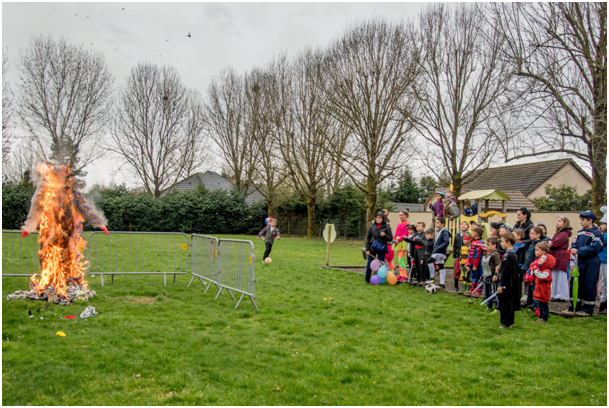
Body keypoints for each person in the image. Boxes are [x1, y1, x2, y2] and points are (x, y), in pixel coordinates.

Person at [565, 211, 604, 316]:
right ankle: (574, 306)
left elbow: (595, 247)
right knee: (576, 282)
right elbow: (574, 243)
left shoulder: (597, 234)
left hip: (591, 262)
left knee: (589, 284)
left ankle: (587, 309)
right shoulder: (580, 232)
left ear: (590, 221)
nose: (581, 222)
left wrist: (579, 251)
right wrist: (573, 248)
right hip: (579, 261)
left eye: (583, 220)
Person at [495, 232, 521, 328]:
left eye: (502, 241)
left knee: (504, 304)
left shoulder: (507, 256)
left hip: (506, 284)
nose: (501, 244)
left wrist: (500, 284)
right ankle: (510, 322)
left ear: (508, 242)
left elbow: (505, 272)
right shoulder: (514, 255)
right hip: (512, 284)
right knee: (510, 304)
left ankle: (505, 323)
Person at [527, 241, 555, 323]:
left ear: (544, 252)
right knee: (539, 303)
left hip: (544, 290)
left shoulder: (546, 270)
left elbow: (543, 277)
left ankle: (544, 318)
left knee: (544, 305)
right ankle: (540, 317)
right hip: (539, 289)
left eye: (537, 250)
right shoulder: (539, 266)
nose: (535, 252)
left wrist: (536, 271)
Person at [364, 212, 394, 284]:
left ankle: (379, 279)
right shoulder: (372, 227)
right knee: (369, 263)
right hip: (372, 248)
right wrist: (367, 249)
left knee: (381, 264)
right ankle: (367, 279)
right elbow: (368, 238)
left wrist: (385, 235)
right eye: (377, 218)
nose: (378, 219)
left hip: (382, 248)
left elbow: (390, 238)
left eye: (380, 218)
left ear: (383, 219)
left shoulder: (387, 227)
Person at [549, 215, 572, 302]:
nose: (557, 223)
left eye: (560, 221)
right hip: (556, 255)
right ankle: (555, 293)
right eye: (557, 221)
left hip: (560, 256)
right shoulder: (558, 233)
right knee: (555, 275)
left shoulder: (564, 234)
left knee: (560, 275)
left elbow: (555, 243)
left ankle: (561, 294)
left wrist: (551, 243)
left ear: (565, 223)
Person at [522, 226, 544, 308]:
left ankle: (534, 303)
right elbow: (529, 257)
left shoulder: (539, 244)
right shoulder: (532, 244)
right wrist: (525, 267)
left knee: (534, 286)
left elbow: (534, 257)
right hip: (529, 266)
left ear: (538, 234)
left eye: (533, 233)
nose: (530, 235)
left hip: (535, 267)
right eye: (530, 233)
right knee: (529, 284)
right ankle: (529, 301)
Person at [427, 217, 451, 287]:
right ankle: (442, 283)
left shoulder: (444, 232)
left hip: (439, 252)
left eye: (438, 223)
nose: (436, 224)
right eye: (436, 222)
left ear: (442, 224)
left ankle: (432, 278)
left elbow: (446, 242)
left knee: (429, 261)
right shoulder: (439, 231)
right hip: (438, 251)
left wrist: (438, 248)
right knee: (441, 266)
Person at [482, 237, 501, 312]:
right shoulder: (488, 253)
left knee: (493, 291)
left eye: (488, 245)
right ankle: (489, 305)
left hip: (492, 275)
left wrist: (495, 275)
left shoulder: (495, 254)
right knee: (488, 292)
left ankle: (497, 307)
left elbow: (497, 265)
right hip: (486, 275)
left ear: (494, 245)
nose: (487, 246)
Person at [392, 209, 411, 282]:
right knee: (399, 260)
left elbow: (405, 234)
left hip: (402, 242)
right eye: (399, 215)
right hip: (397, 242)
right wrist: (394, 239)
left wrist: (398, 240)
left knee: (400, 259)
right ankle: (401, 274)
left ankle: (404, 275)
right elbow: (396, 232)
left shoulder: (407, 224)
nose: (400, 216)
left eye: (402, 215)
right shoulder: (399, 224)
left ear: (406, 216)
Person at [466, 227, 485, 296]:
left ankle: (478, 290)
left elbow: (478, 255)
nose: (471, 233)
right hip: (472, 262)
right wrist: (468, 263)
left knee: (478, 276)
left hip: (477, 263)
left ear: (476, 234)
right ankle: (473, 289)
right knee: (473, 276)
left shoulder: (479, 243)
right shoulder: (473, 242)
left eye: (472, 232)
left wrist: (475, 265)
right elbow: (469, 254)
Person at [452, 221, 470, 292]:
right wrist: (454, 256)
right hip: (459, 256)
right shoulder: (457, 235)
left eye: (465, 225)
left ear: (468, 227)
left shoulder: (469, 235)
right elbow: (455, 246)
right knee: (457, 270)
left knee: (465, 271)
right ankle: (456, 286)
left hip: (466, 256)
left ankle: (465, 287)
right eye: (462, 225)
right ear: (459, 227)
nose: (463, 226)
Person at [598, 207, 607, 314]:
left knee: (606, 282)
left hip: (605, 261)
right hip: (604, 260)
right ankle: (603, 303)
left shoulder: (606, 236)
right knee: (604, 282)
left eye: (603, 224)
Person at [382, 209, 396, 275]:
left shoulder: (385, 229)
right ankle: (392, 274)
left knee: (385, 261)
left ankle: (387, 274)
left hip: (386, 247)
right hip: (390, 247)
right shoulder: (388, 229)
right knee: (390, 261)